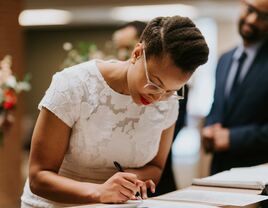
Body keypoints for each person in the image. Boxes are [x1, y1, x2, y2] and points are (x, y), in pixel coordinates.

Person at [21, 16, 209, 207]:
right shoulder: (73, 85)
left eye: (170, 91)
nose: (157, 98)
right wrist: (100, 191)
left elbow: (156, 167)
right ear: (137, 53)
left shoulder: (168, 104)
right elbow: (39, 177)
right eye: (154, 84)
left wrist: (131, 181)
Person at [112, 20, 189, 196]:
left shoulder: (174, 90)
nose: (122, 53)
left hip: (153, 185)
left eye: (127, 47)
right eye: (119, 48)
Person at [202, 0, 268, 175]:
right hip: (219, 172)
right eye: (250, 10)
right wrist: (210, 127)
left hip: (258, 177)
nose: (252, 20)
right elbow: (218, 107)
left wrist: (232, 138)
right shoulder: (224, 59)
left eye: (263, 16)